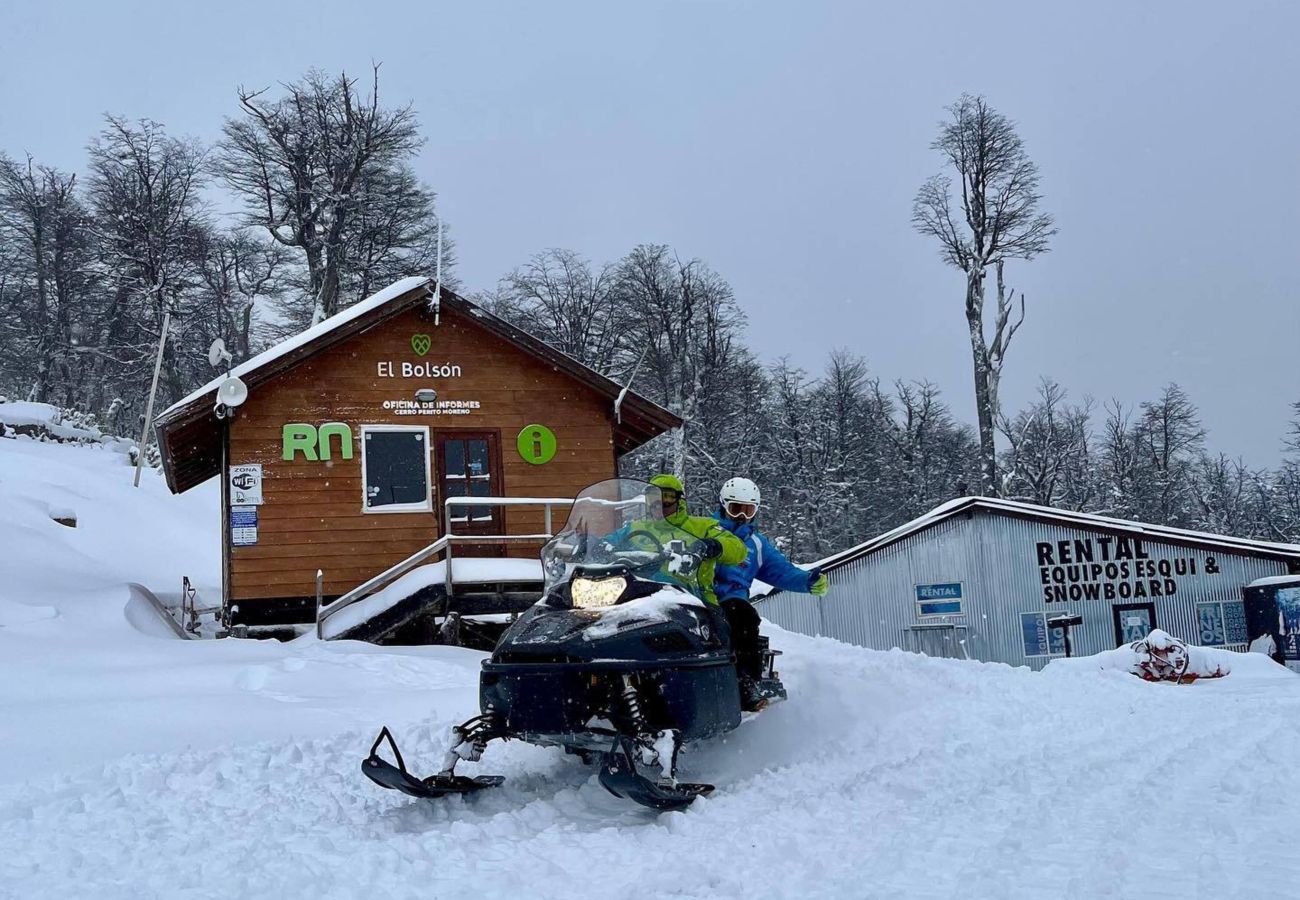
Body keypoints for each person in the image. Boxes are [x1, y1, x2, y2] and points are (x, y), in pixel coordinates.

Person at [712, 476, 829, 709]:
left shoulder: (755, 544)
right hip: (699, 594)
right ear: (723, 506)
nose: (742, 517)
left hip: (730, 600)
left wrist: (807, 581)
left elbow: (780, 571)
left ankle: (746, 681)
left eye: (748, 510)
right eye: (736, 509)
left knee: (743, 615)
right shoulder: (704, 531)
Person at [603, 474, 748, 607]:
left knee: (723, 629)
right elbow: (608, 541)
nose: (658, 504)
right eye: (653, 498)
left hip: (694, 598)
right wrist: (592, 544)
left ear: (680, 501)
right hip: (639, 598)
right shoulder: (635, 528)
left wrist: (713, 545)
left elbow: (739, 549)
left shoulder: (702, 526)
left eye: (666, 498)